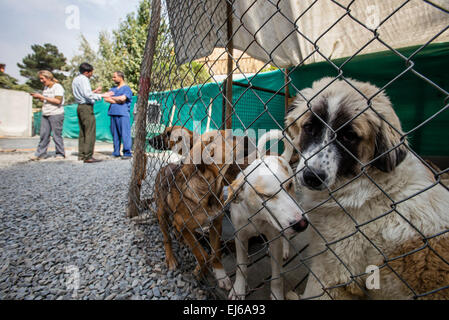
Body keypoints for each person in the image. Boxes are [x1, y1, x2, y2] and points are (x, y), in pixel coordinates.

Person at [72, 62, 111, 163]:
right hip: (86, 107)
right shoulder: (84, 80)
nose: (92, 75)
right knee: (90, 131)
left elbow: (83, 94)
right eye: (91, 72)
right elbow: (87, 95)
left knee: (82, 132)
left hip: (80, 106)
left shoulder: (76, 79)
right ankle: (88, 156)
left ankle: (82, 154)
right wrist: (103, 95)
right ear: (87, 72)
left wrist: (94, 92)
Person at [30, 70, 66, 160]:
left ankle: (60, 153)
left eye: (42, 79)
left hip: (56, 113)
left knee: (56, 135)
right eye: (40, 79)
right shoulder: (46, 88)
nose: (41, 81)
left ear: (49, 78)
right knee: (44, 134)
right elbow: (47, 100)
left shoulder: (57, 87)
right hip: (46, 113)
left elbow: (58, 101)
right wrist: (39, 98)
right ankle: (40, 153)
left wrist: (42, 97)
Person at [104, 71, 133, 159]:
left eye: (114, 77)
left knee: (125, 134)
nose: (113, 79)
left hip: (123, 114)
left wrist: (112, 98)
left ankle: (127, 153)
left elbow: (123, 99)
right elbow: (106, 99)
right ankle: (116, 152)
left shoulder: (126, 89)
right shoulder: (113, 89)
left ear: (121, 77)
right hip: (113, 113)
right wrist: (117, 99)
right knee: (115, 134)